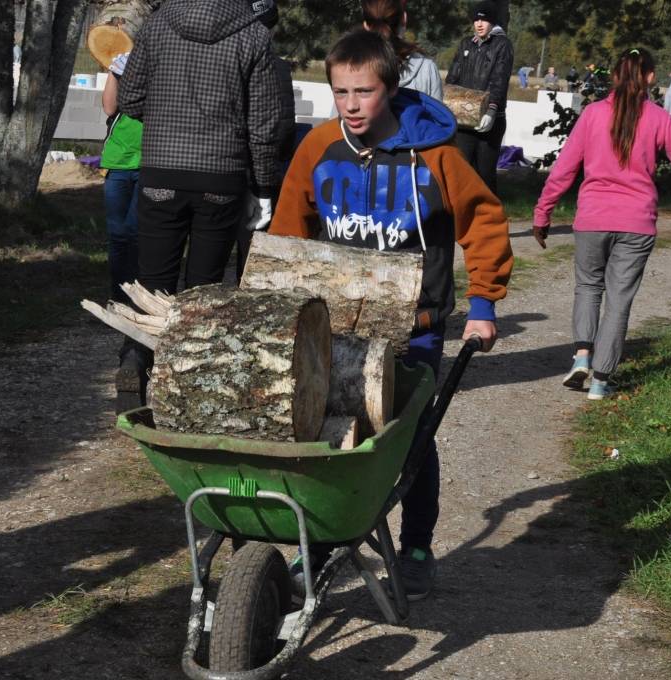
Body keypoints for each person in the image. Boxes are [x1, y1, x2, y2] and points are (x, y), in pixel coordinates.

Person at [269, 29, 513, 600]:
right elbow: (289, 230)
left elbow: (483, 222)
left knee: (409, 439)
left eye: (364, 92)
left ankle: (418, 545)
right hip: (336, 326)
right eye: (341, 92)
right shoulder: (320, 147)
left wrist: (483, 304)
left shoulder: (435, 155)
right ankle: (325, 545)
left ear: (390, 87)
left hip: (415, 328)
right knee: (329, 436)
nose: (352, 105)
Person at [532, 48, 671, 400]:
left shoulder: (591, 115)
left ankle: (582, 357)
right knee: (619, 300)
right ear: (650, 77)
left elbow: (563, 170)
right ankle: (601, 381)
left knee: (588, 287)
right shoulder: (659, 119)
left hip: (592, 219)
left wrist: (543, 214)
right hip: (637, 223)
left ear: (615, 76)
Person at [114, 0, 289, 409]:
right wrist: (263, 188)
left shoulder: (158, 26)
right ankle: (187, 386)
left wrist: (166, 112)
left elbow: (131, 98)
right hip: (221, 178)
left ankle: (135, 359)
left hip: (161, 171)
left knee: (153, 280)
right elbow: (263, 126)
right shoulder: (254, 35)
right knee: (203, 290)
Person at [234, 0, 295, 284]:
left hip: (230, 162)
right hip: (258, 168)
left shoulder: (229, 55)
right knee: (252, 242)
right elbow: (283, 127)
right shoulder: (277, 67)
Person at [444, 0, 513, 194]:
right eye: (476, 20)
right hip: (464, 121)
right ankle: (463, 220)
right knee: (462, 172)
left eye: (483, 20)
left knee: (484, 175)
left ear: (492, 22)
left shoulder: (502, 45)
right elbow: (452, 78)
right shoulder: (466, 44)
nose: (479, 24)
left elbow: (500, 80)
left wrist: (491, 109)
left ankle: (490, 221)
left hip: (489, 120)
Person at [101, 51, 143, 314]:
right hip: (117, 163)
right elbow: (108, 107)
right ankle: (117, 297)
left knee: (135, 232)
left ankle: (139, 296)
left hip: (150, 162)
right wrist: (115, 72)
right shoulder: (123, 66)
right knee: (118, 235)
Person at [362, 0, 443, 101]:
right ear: (404, 19)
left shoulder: (347, 66)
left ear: (365, 25)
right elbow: (438, 114)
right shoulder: (427, 68)